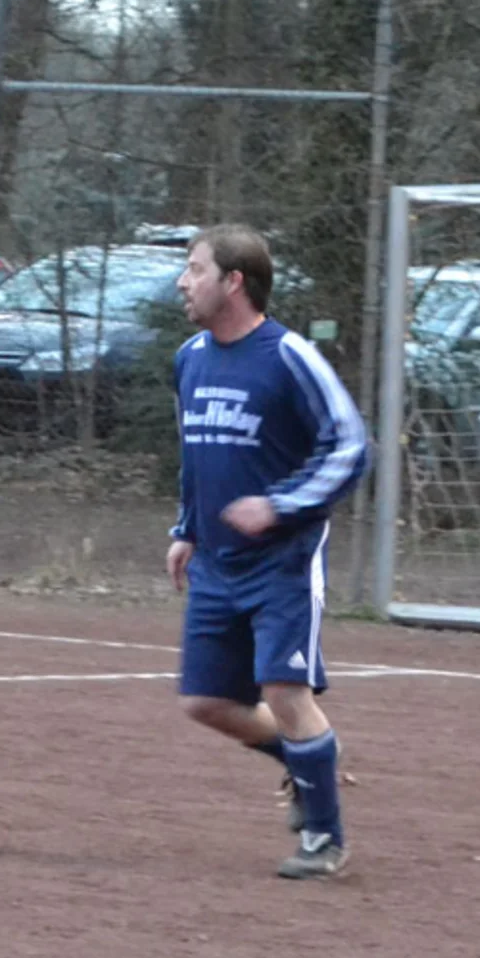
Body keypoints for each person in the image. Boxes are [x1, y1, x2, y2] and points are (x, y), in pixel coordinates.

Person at [166, 225, 370, 879]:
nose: (182, 281)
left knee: (284, 690)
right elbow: (198, 454)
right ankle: (301, 759)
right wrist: (187, 527)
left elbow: (348, 446)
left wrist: (279, 506)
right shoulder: (190, 358)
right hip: (217, 562)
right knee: (206, 702)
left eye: (195, 268)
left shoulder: (289, 356)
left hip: (282, 559)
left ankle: (324, 837)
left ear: (233, 281)